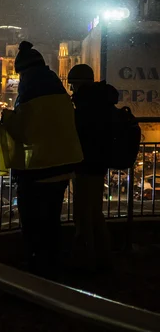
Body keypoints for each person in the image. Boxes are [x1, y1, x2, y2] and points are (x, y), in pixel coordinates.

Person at [1, 41, 83, 278]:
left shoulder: (30, 91)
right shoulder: (56, 86)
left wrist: (7, 117)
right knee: (52, 221)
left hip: (38, 170)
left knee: (34, 224)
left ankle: (37, 271)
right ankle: (53, 266)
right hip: (63, 166)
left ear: (24, 71)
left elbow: (25, 131)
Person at [67, 64, 114, 272]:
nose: (72, 90)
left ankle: (88, 262)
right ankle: (103, 259)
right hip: (99, 164)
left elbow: (80, 135)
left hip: (86, 165)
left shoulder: (85, 105)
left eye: (73, 86)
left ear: (78, 85)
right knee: (95, 213)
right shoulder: (101, 102)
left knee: (84, 215)